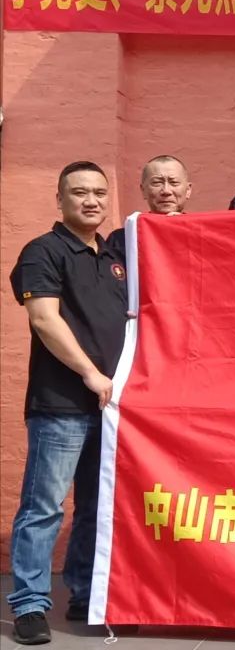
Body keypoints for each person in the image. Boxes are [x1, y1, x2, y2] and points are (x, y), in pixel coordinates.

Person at [7, 162, 128, 645]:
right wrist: (89, 373)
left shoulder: (113, 256)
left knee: (98, 505)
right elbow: (44, 319)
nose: (91, 200)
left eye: (99, 192)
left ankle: (84, 593)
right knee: (44, 507)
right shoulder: (43, 250)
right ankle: (29, 605)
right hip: (61, 404)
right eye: (80, 192)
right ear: (60, 200)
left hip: (111, 406)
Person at [105, 154, 191, 257]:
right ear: (143, 191)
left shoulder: (200, 234)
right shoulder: (123, 239)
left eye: (174, 182)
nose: (166, 191)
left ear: (188, 190)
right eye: (157, 183)